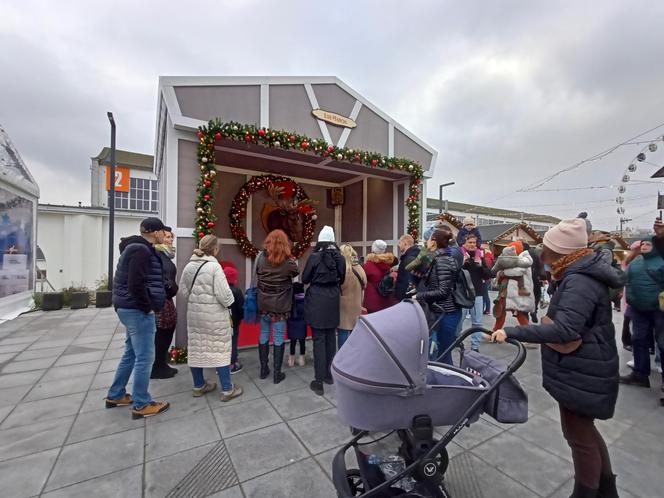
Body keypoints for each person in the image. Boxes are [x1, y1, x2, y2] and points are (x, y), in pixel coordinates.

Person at [491, 218, 624, 498]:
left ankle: (586, 492)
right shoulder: (577, 274)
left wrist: (513, 331)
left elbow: (566, 329)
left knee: (578, 436)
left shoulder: (580, 280)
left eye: (547, 248)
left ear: (560, 252)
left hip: (583, 365)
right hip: (585, 362)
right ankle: (606, 490)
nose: (542, 254)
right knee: (584, 431)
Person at [105, 217, 170, 419]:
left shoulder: (134, 248)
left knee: (131, 353)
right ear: (154, 232)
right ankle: (142, 404)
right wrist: (146, 306)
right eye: (161, 231)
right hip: (136, 309)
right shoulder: (141, 250)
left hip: (127, 307)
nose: (164, 235)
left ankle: (115, 394)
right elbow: (136, 283)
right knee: (145, 357)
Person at [179, 235, 242, 402]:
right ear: (215, 249)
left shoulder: (189, 266)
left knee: (196, 348)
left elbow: (183, 290)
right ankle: (227, 389)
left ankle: (199, 386)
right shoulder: (215, 267)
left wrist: (197, 301)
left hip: (195, 315)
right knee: (220, 350)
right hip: (215, 317)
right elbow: (225, 297)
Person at [303, 226, 346, 396]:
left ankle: (318, 380)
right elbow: (341, 279)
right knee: (330, 338)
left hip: (317, 298)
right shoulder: (340, 258)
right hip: (333, 298)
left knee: (318, 339)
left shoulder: (314, 257)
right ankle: (329, 375)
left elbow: (305, 278)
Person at [619, 238, 664, 389]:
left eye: (648, 244)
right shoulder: (635, 263)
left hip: (659, 310)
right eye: (643, 244)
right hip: (638, 309)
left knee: (662, 343)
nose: (644, 246)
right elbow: (626, 281)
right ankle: (640, 374)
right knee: (638, 340)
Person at [256, 229, 299, 383]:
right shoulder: (288, 262)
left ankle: (263, 370)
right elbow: (296, 272)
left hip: (263, 302)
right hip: (281, 304)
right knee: (279, 336)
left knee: (264, 333)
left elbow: (257, 273)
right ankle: (276, 373)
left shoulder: (260, 257)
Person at [415, 229, 462, 365]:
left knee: (444, 354)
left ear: (434, 241)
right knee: (440, 353)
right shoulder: (437, 258)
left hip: (447, 313)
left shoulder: (442, 261)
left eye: (428, 239)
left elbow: (443, 291)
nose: (426, 241)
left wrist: (419, 295)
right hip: (441, 311)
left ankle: (448, 383)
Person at [151, 227, 179, 379]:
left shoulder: (166, 255)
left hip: (167, 298)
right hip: (161, 299)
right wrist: (169, 286)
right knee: (162, 332)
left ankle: (161, 363)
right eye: (167, 237)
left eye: (171, 238)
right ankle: (157, 366)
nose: (170, 240)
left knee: (168, 329)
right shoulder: (157, 254)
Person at [492, 241, 535, 330]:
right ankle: (495, 331)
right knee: (501, 310)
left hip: (517, 292)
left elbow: (518, 271)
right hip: (507, 290)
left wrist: (503, 272)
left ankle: (528, 334)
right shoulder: (513, 260)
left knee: (518, 312)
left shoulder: (524, 259)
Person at [460, 234, 492, 352]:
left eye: (474, 242)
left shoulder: (480, 256)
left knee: (477, 322)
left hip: (478, 293)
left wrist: (479, 266)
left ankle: (475, 347)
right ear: (464, 243)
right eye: (470, 242)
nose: (473, 245)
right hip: (463, 293)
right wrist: (463, 263)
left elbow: (488, 274)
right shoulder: (460, 255)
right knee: (460, 320)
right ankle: (457, 341)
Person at [338, 244, 367, 349]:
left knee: (343, 334)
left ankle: (342, 360)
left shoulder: (344, 270)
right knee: (354, 336)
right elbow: (364, 286)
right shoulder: (360, 268)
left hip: (343, 308)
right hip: (356, 305)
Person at [363, 239, 397, 313]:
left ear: (373, 249)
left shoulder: (368, 266)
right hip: (387, 302)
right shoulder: (389, 263)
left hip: (372, 305)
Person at [223, 266, 244, 374]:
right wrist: (242, 317)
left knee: (223, 343)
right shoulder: (236, 291)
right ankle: (232, 365)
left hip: (221, 322)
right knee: (233, 342)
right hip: (233, 322)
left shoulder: (219, 290)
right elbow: (241, 308)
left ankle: (221, 365)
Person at [522, 241, 544, 323]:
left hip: (525, 279)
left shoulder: (523, 254)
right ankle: (534, 310)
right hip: (535, 278)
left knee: (525, 296)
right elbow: (540, 266)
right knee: (536, 295)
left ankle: (525, 314)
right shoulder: (535, 253)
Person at [287, 282, 307, 367]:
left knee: (293, 342)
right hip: (302, 324)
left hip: (292, 325)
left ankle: (291, 360)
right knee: (302, 342)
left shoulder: (290, 301)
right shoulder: (305, 301)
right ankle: (301, 359)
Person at [394, 234, 420, 300]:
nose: (398, 245)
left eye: (400, 243)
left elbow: (408, 279)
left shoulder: (409, 258)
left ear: (405, 243)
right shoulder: (414, 255)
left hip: (407, 297)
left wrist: (402, 296)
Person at [481, 244, 495, 315]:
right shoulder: (491, 257)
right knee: (485, 294)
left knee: (484, 294)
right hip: (488, 278)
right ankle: (487, 309)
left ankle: (486, 310)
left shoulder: (485, 258)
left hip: (484, 278)